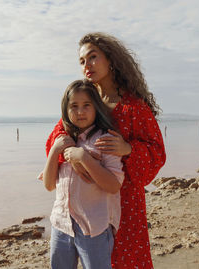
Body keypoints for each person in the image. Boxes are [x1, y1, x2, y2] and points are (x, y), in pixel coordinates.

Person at [45, 33, 166, 268]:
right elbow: (56, 139)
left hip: (125, 200)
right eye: (82, 61)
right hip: (85, 204)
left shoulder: (133, 107)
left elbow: (157, 153)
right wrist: (76, 158)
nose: (87, 65)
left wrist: (128, 148)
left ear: (110, 60)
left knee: (126, 260)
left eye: (92, 57)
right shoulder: (84, 100)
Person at [43, 79, 125, 269]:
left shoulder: (105, 140)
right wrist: (55, 150)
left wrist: (84, 158)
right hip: (61, 225)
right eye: (74, 106)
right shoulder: (62, 141)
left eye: (86, 105)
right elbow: (48, 185)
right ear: (66, 109)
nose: (80, 111)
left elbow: (113, 186)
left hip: (93, 227)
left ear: (96, 107)